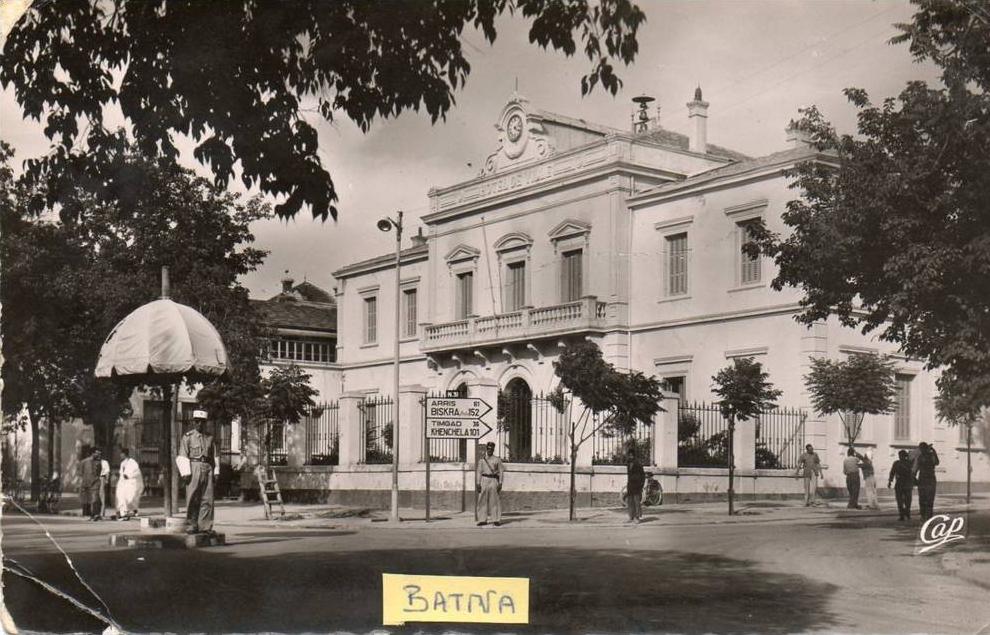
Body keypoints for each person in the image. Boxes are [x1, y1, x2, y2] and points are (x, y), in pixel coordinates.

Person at [178, 410, 220, 535]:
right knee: (193, 498)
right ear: (193, 422)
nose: (199, 424)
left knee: (208, 498)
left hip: (207, 468)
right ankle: (192, 524)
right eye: (197, 421)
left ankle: (205, 526)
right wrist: (185, 473)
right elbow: (183, 454)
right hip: (193, 466)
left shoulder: (210, 438)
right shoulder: (188, 437)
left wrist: (216, 471)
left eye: (202, 422)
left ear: (205, 423)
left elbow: (215, 455)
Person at [476, 441, 504, 527]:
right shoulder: (482, 460)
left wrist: (500, 483)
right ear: (486, 449)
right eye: (488, 449)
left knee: (494, 500)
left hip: (493, 480)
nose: (489, 450)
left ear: (493, 449)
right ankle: (482, 519)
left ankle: (496, 519)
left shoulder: (497, 459)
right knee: (482, 500)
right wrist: (478, 483)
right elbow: (479, 472)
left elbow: (501, 472)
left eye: (491, 449)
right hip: (484, 479)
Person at [913, 442, 940, 521]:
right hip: (927, 479)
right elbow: (915, 468)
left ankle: (926, 516)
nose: (921, 450)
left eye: (922, 448)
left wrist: (914, 478)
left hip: (926, 479)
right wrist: (934, 452)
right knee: (926, 499)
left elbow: (915, 469)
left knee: (926, 498)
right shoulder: (923, 457)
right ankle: (925, 516)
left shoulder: (922, 457)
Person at [115, 448, 144, 520]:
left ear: (125, 454)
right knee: (121, 497)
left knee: (131, 498)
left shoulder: (133, 462)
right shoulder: (122, 463)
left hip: (131, 483)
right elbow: (121, 473)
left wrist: (129, 476)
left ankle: (133, 510)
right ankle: (123, 512)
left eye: (121, 454)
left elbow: (136, 472)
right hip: (123, 484)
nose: (120, 455)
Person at [887, 449, 914, 521]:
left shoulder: (906, 463)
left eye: (901, 455)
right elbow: (892, 472)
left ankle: (906, 514)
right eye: (899, 455)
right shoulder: (899, 463)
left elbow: (892, 473)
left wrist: (890, 481)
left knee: (906, 500)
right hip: (902, 484)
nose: (900, 457)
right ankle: (903, 514)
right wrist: (890, 481)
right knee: (901, 500)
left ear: (904, 456)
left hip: (905, 483)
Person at [79, 448, 103, 521]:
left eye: (99, 454)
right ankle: (90, 514)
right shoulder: (84, 462)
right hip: (86, 483)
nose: (99, 455)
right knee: (87, 499)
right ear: (92, 453)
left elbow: (99, 472)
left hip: (95, 482)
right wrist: (81, 483)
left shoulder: (99, 463)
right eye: (97, 453)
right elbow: (81, 473)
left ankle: (96, 514)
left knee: (95, 498)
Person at [625, 449, 646, 523]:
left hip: (637, 485)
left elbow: (643, 475)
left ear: (634, 455)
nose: (630, 456)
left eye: (631, 455)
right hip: (630, 485)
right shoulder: (628, 463)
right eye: (629, 455)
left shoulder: (638, 463)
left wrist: (641, 485)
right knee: (630, 502)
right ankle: (631, 516)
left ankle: (637, 517)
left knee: (636, 502)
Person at [98, 452, 111, 519]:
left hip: (102, 478)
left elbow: (107, 471)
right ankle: (96, 512)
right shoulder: (94, 462)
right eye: (97, 454)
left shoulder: (104, 462)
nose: (98, 456)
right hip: (95, 479)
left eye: (99, 454)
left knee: (102, 496)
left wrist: (107, 480)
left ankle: (102, 513)